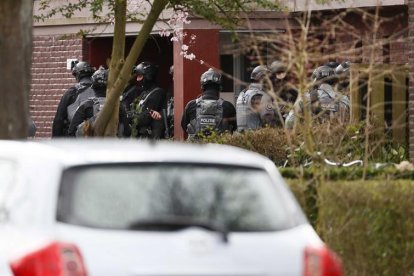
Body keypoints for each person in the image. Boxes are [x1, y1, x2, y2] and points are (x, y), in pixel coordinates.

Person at [67, 67, 129, 137]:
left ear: (93, 87)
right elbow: (126, 132)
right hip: (112, 146)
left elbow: (72, 131)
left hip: (90, 146)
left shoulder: (86, 106)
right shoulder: (118, 106)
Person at [285, 65, 350, 129]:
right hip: (343, 137)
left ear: (315, 80)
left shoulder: (305, 98)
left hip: (313, 137)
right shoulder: (344, 98)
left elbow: (289, 123)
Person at [181, 68, 236, 139]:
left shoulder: (191, 105)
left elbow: (184, 126)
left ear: (202, 86)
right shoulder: (228, 106)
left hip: (195, 148)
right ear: (220, 87)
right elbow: (234, 128)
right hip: (220, 148)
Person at [52, 61, 94, 137]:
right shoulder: (103, 92)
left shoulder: (72, 92)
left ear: (77, 75)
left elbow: (59, 119)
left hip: (74, 137)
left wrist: (55, 141)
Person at [236, 65, 279, 131]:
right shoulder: (261, 95)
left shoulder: (242, 93)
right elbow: (268, 121)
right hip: (257, 138)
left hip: (240, 137)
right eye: (270, 79)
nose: (272, 82)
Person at [130, 62, 165, 139]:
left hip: (149, 138)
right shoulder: (143, 93)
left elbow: (146, 118)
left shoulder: (157, 93)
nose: (137, 79)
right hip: (138, 136)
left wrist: (131, 117)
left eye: (140, 76)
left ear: (148, 76)